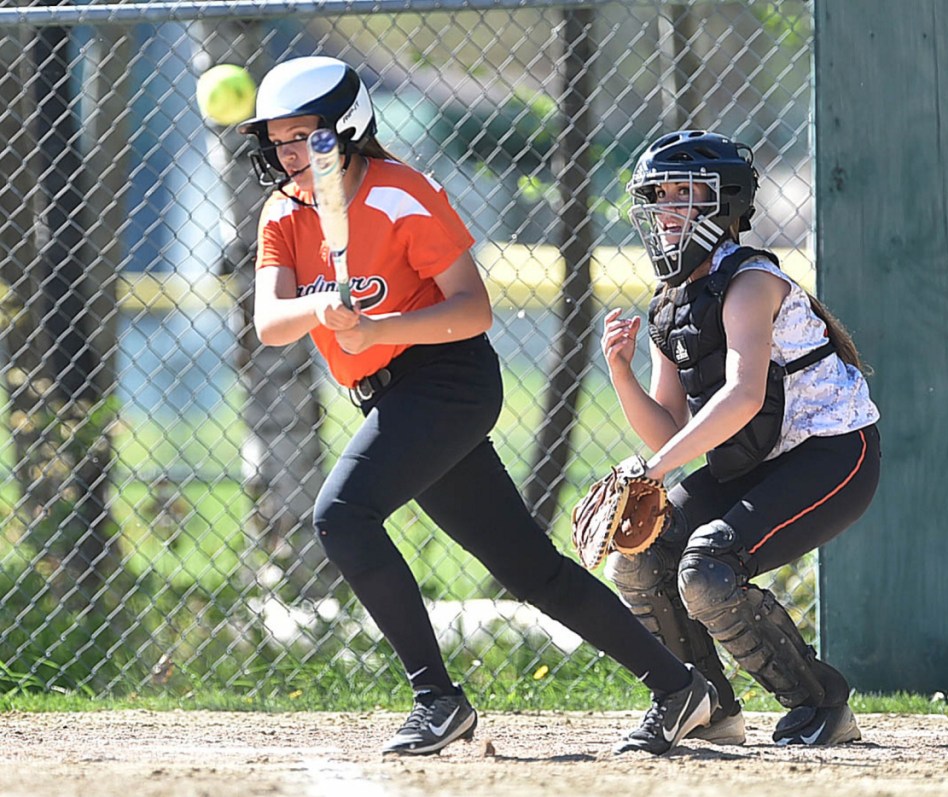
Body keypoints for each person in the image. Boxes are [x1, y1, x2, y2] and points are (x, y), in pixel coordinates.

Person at [237, 57, 725, 758]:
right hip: (389, 398)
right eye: (278, 141)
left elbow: (472, 308)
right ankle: (680, 688)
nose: (289, 154)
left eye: (304, 138)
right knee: (529, 567)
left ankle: (437, 699)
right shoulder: (282, 213)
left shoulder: (402, 194)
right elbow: (270, 322)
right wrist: (321, 304)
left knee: (341, 515)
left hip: (448, 381)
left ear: (346, 130)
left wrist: (377, 328)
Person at [600, 130, 881, 747]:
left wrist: (653, 468)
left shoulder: (750, 282)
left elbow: (743, 396)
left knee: (707, 568)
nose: (666, 209)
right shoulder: (669, 306)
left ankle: (820, 705)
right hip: (753, 461)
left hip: (832, 454)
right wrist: (621, 375)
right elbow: (670, 426)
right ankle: (708, 705)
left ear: (724, 203)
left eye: (684, 194)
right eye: (657, 195)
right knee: (640, 558)